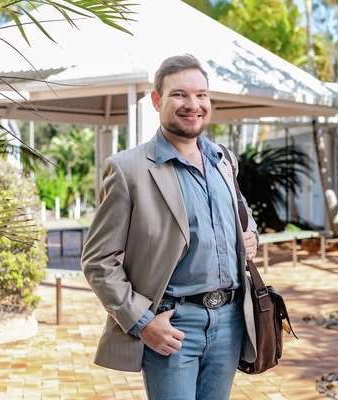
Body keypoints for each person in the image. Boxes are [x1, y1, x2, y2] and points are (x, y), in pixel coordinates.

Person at [81, 54, 258, 400]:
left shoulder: (225, 160)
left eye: (202, 95)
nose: (193, 105)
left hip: (230, 322)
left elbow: (244, 217)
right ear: (157, 100)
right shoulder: (128, 169)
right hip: (173, 326)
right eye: (180, 95)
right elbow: (98, 261)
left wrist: (250, 236)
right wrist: (142, 323)